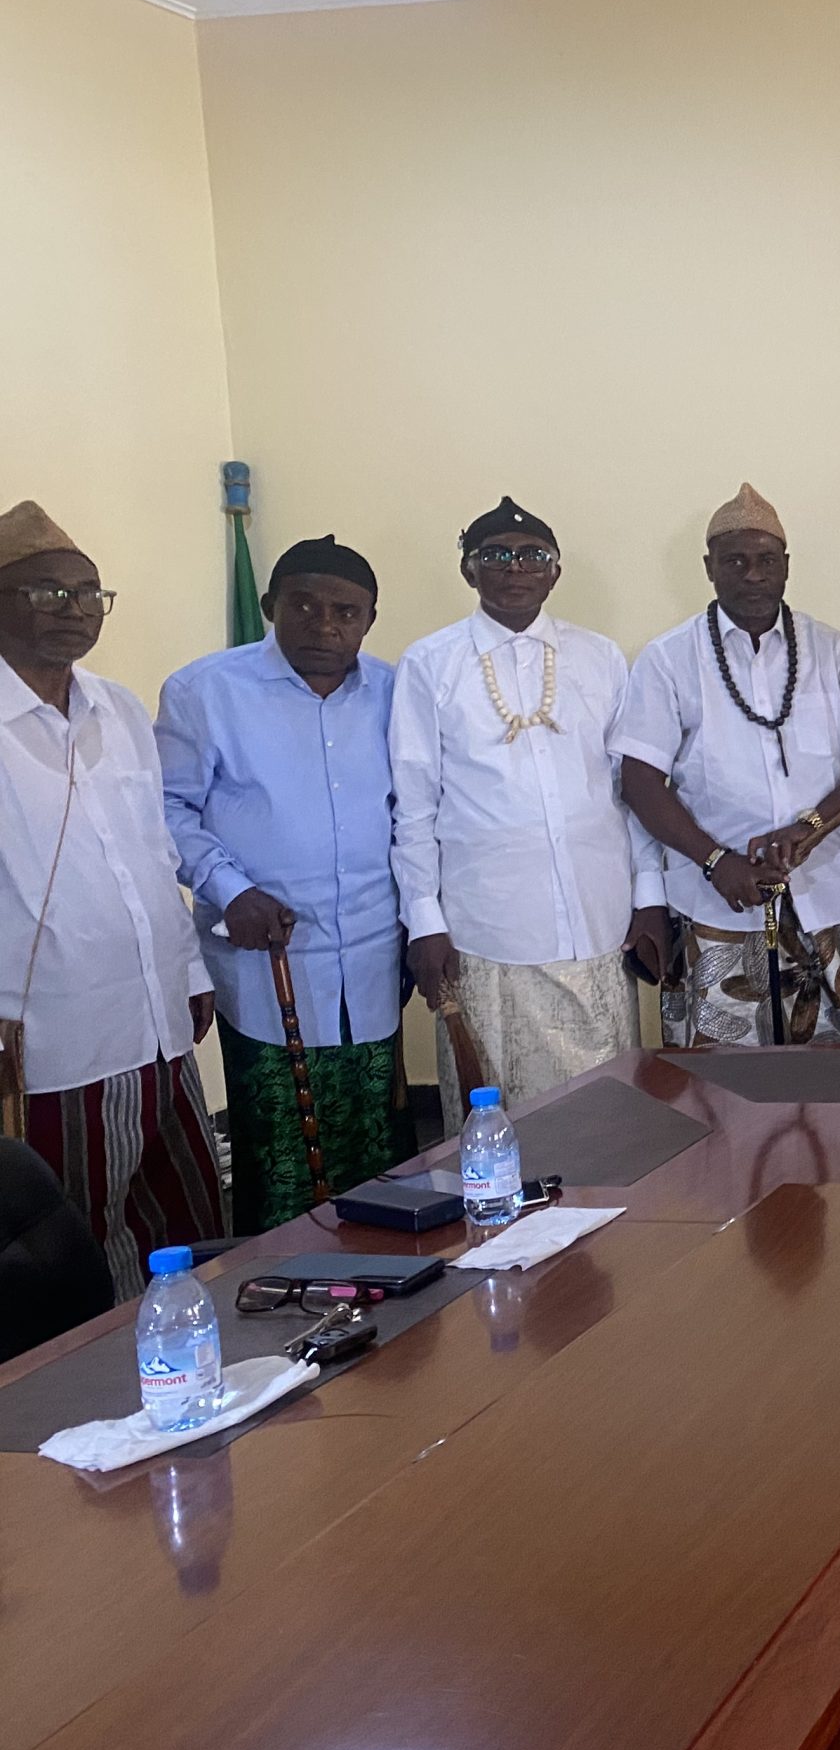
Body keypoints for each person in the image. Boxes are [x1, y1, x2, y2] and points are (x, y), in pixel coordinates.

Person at [158, 535, 412, 1233]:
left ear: (369, 619)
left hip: (372, 957)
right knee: (280, 1151)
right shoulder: (205, 691)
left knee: (379, 1148)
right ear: (270, 606)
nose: (324, 626)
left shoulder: (396, 692)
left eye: (345, 612)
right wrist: (228, 886)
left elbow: (416, 809)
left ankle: (387, 1278)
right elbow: (166, 808)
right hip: (265, 958)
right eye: (303, 606)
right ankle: (278, 1281)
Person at [0, 501, 223, 1296]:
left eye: (90, 593)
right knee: (71, 1252)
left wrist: (190, 971)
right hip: (50, 1042)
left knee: (185, 1227)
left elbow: (154, 852)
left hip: (156, 1019)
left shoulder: (119, 706)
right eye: (47, 592)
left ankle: (181, 1352)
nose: (75, 609)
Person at [391, 498, 666, 1126]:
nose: (515, 567)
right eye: (495, 555)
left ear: (555, 571)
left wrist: (649, 895)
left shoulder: (600, 657)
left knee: (608, 1117)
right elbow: (414, 804)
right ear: (468, 570)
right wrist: (424, 921)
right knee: (503, 1116)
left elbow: (631, 788)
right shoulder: (429, 664)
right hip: (486, 930)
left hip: (599, 921)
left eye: (532, 555)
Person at [613, 485, 840, 1047]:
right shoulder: (668, 659)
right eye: (735, 561)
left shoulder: (833, 652)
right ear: (709, 567)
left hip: (829, 898)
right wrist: (715, 860)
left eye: (766, 560)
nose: (752, 574)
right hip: (716, 905)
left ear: (786, 566)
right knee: (723, 1083)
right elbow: (640, 781)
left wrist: (809, 829)